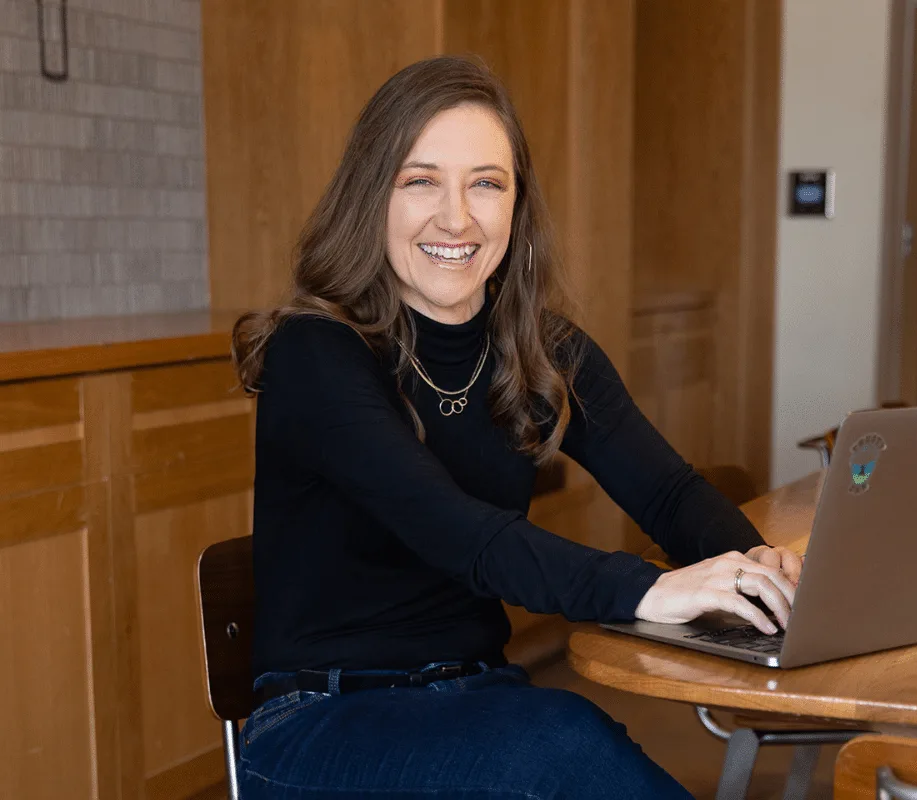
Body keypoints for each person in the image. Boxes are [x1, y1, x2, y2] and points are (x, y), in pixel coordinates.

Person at [231, 55, 802, 799]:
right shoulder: (316, 353)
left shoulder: (543, 350)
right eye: (421, 180)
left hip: (480, 701)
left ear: (516, 205)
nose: (456, 217)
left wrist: (754, 565)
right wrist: (652, 590)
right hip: (323, 722)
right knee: (560, 742)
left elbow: (666, 493)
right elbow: (459, 533)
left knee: (559, 740)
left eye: (486, 183)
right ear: (372, 196)